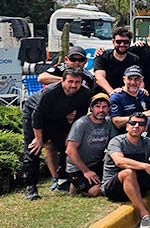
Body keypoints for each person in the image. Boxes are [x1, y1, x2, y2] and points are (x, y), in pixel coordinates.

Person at [22, 68, 91, 200]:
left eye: (77, 82)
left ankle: (63, 179)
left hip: (58, 117)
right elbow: (37, 115)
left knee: (67, 146)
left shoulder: (84, 93)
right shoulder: (51, 91)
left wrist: (70, 135)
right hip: (33, 114)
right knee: (33, 149)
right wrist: (38, 138)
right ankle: (31, 187)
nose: (73, 85)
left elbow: (80, 116)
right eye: (70, 81)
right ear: (62, 81)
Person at [65, 93, 114, 197]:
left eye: (104, 107)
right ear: (91, 108)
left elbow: (113, 142)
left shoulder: (109, 122)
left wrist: (109, 153)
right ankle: (76, 186)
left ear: (109, 108)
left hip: (96, 163)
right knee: (96, 191)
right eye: (97, 106)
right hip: (77, 168)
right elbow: (70, 150)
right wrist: (86, 171)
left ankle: (78, 186)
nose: (101, 110)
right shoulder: (81, 124)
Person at [110, 65, 150, 133]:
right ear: (124, 79)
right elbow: (116, 122)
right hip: (124, 136)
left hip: (145, 134)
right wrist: (141, 115)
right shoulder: (117, 97)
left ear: (142, 80)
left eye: (136, 79)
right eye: (130, 79)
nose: (133, 82)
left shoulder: (143, 94)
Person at [93, 26, 140, 94]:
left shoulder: (135, 59)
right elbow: (99, 78)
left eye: (125, 42)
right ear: (113, 42)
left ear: (130, 42)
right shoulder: (102, 56)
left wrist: (141, 90)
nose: (122, 44)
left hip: (126, 96)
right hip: (103, 96)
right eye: (119, 42)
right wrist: (113, 93)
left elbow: (139, 79)